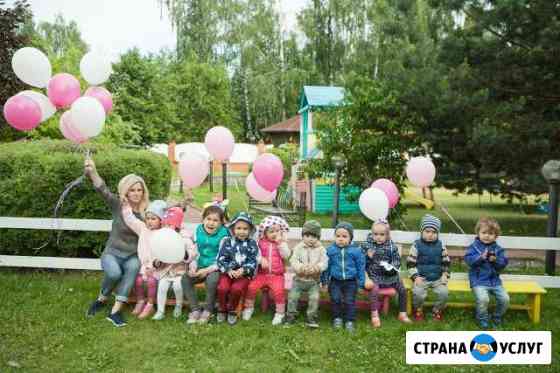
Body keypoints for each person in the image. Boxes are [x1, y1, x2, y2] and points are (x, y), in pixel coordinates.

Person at [84, 158, 150, 327]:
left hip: (132, 255)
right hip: (112, 252)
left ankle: (115, 311)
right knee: (113, 274)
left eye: (139, 190)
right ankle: (101, 299)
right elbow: (102, 189)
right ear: (126, 192)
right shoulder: (119, 206)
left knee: (133, 268)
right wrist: (93, 172)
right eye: (132, 190)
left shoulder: (146, 213)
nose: (136, 193)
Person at [183, 204, 229, 324]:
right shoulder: (198, 230)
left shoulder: (224, 235)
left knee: (212, 281)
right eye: (208, 219)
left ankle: (208, 310)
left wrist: (206, 271)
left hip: (215, 267)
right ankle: (195, 310)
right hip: (200, 264)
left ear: (221, 223)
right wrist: (193, 267)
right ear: (203, 219)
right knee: (185, 279)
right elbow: (195, 251)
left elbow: (222, 259)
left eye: (215, 220)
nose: (211, 223)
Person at [122, 199, 167, 320]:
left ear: (161, 220)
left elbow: (165, 252)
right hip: (143, 265)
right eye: (148, 218)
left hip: (157, 267)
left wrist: (154, 267)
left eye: (154, 219)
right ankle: (140, 301)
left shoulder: (164, 233)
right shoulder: (143, 229)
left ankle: (150, 304)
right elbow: (131, 220)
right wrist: (126, 207)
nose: (150, 221)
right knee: (138, 281)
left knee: (152, 282)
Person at [362, 219, 411, 328]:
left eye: (382, 234)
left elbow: (397, 260)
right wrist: (367, 256)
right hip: (374, 275)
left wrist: (392, 267)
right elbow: (361, 261)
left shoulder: (391, 247)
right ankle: (374, 315)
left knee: (402, 289)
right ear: (371, 233)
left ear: (387, 235)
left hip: (389, 275)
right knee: (374, 290)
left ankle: (402, 313)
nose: (378, 237)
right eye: (375, 234)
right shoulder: (367, 246)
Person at [243, 216, 291, 326]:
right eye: (271, 231)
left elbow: (286, 255)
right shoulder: (260, 243)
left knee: (279, 291)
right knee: (251, 288)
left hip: (276, 275)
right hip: (261, 274)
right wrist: (261, 259)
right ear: (265, 233)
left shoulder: (282, 243)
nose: (275, 233)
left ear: (281, 231)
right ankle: (249, 308)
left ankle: (280, 313)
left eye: (277, 231)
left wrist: (280, 244)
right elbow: (254, 255)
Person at [465, 217, 509, 328]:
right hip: (478, 280)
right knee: (483, 299)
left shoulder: (498, 249)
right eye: (484, 232)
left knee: (505, 299)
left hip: (494, 281)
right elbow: (469, 261)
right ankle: (482, 318)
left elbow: (502, 264)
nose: (487, 235)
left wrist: (496, 260)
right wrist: (480, 257)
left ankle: (496, 316)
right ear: (478, 233)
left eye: (490, 233)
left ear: (496, 236)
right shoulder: (473, 247)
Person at [216, 212, 259, 325]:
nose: (242, 231)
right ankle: (222, 308)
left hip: (243, 274)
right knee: (222, 288)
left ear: (250, 230)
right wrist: (228, 270)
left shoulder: (252, 244)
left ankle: (232, 309)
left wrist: (243, 270)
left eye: (245, 228)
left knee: (236, 289)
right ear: (233, 229)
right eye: (238, 228)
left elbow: (253, 261)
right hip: (228, 272)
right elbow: (221, 258)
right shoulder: (227, 241)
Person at [322, 222, 365, 332]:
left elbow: (360, 267)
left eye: (344, 236)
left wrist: (360, 283)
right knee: (335, 299)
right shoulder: (331, 251)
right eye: (338, 236)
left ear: (350, 238)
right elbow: (326, 268)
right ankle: (337, 318)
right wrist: (325, 282)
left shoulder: (355, 251)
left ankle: (349, 320)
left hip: (351, 281)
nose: (341, 239)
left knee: (349, 300)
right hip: (335, 281)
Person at [407, 214, 451, 322]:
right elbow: (410, 263)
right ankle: (418, 309)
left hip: (437, 278)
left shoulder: (441, 246)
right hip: (422, 277)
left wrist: (445, 274)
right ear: (422, 232)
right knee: (418, 293)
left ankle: (437, 310)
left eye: (434, 232)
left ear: (437, 233)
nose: (430, 234)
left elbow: (446, 262)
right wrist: (415, 276)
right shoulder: (416, 245)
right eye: (427, 231)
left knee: (444, 293)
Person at [285, 220, 327, 328]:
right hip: (298, 280)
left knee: (314, 298)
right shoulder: (298, 247)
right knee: (293, 296)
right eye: (307, 235)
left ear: (318, 237)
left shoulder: (321, 249)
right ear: (303, 236)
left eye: (314, 236)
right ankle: (290, 316)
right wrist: (301, 267)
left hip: (313, 282)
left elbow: (325, 262)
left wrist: (317, 268)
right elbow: (293, 260)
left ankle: (311, 318)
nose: (310, 239)